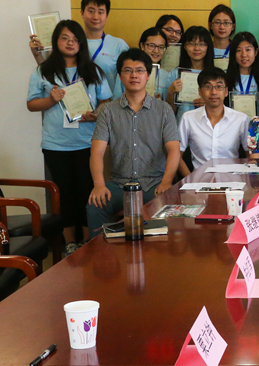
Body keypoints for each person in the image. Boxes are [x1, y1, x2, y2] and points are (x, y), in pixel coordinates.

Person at [27, 20, 112, 255]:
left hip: (88, 143)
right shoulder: (44, 71)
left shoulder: (93, 71)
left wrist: (96, 115)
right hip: (56, 144)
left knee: (87, 191)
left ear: (81, 43)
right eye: (65, 38)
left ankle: (87, 241)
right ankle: (69, 243)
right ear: (56, 41)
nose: (70, 43)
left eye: (75, 39)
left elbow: (106, 101)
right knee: (64, 194)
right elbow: (31, 104)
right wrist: (51, 100)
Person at [86, 49, 181, 237]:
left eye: (139, 70)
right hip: (119, 184)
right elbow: (96, 152)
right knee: (95, 205)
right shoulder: (108, 111)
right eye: (128, 71)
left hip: (154, 184)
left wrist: (167, 182)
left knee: (167, 210)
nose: (134, 75)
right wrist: (99, 184)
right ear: (120, 76)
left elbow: (174, 150)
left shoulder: (164, 110)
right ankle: (102, 253)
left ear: (148, 75)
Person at [178, 67, 249, 177]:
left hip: (233, 181)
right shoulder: (188, 118)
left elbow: (250, 155)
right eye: (208, 87)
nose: (213, 92)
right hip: (200, 181)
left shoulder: (241, 119)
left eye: (219, 87)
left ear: (226, 92)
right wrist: (190, 179)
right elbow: (177, 154)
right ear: (200, 91)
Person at [79, 0, 129, 94]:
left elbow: (127, 77)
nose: (95, 17)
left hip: (110, 102)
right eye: (91, 11)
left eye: (100, 12)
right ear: (82, 13)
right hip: (77, 101)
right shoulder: (73, 43)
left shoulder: (119, 45)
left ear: (106, 16)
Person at [166, 26, 215, 122]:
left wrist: (210, 104)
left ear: (208, 47)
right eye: (192, 44)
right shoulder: (175, 74)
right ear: (185, 46)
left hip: (208, 127)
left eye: (201, 44)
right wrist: (170, 93)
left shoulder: (215, 75)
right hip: (182, 126)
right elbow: (170, 113)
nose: (196, 48)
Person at [112, 27, 171, 100]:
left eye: (161, 47)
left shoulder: (167, 76)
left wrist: (159, 104)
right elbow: (116, 98)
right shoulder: (127, 69)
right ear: (142, 46)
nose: (156, 51)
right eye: (151, 46)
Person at [225, 32, 259, 103]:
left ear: (256, 52)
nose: (244, 55)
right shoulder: (224, 78)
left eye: (248, 50)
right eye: (238, 50)